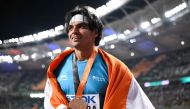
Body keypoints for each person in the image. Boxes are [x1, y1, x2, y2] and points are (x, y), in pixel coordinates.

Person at [44, 5, 155, 109]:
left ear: (95, 32)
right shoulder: (56, 68)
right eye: (71, 27)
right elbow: (51, 103)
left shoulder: (115, 69)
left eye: (81, 26)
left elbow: (139, 105)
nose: (74, 31)